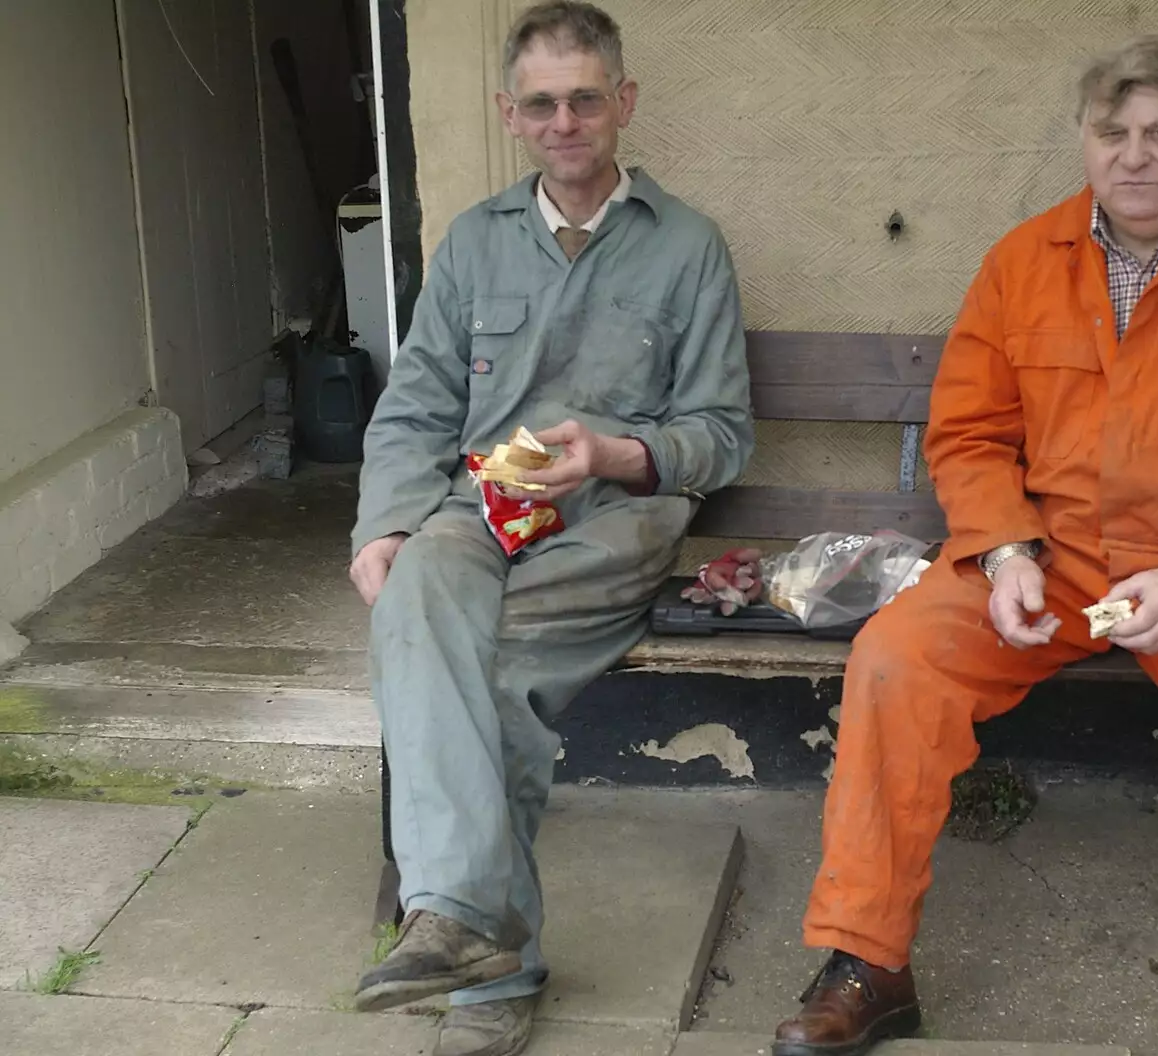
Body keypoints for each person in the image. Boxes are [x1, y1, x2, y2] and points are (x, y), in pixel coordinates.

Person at [772, 34, 1158, 1056]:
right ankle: (868, 963)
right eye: (1111, 132)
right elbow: (970, 433)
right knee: (894, 660)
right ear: (1084, 142)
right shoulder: (1022, 261)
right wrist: (1002, 555)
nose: (1135, 155)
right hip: (1054, 565)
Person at [346, 3, 754, 1054]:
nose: (565, 120)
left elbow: (720, 432)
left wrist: (616, 455)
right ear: (510, 115)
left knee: (485, 679)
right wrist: (381, 528)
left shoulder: (688, 248)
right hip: (486, 508)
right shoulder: (474, 245)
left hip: (615, 521)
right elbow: (417, 407)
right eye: (542, 103)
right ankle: (465, 926)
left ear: (622, 102)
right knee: (413, 590)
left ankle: (485, 967)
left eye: (585, 98)